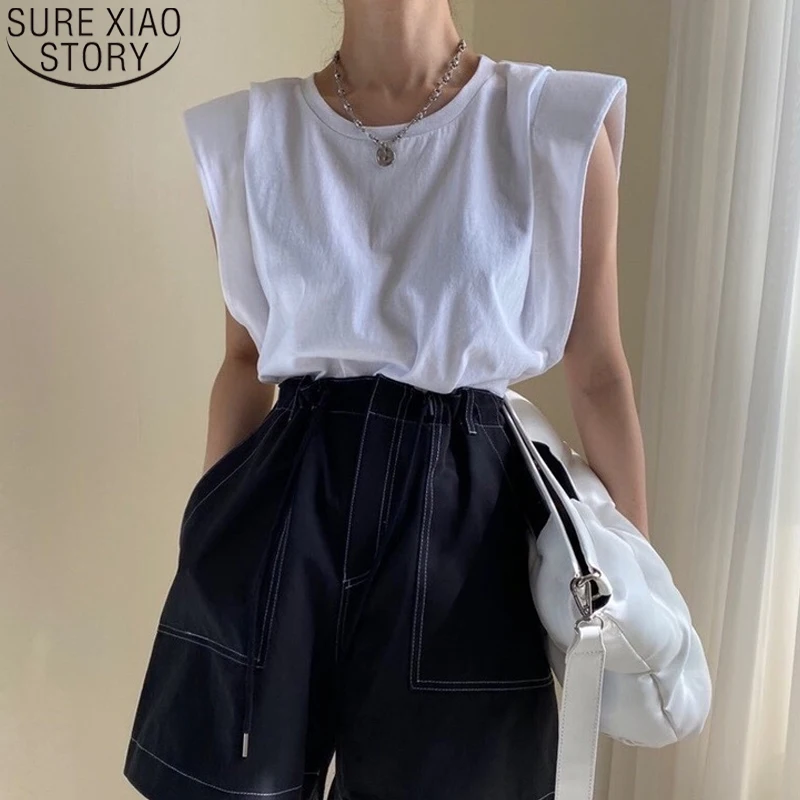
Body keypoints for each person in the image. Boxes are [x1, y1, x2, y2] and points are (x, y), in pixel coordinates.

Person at [123, 1, 643, 798]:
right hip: (283, 506)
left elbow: (598, 371)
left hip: (468, 525)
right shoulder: (251, 135)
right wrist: (208, 539)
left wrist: (632, 584)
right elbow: (245, 360)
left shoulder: (551, 122)